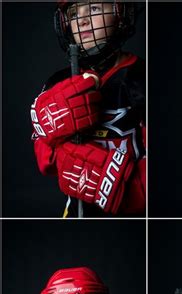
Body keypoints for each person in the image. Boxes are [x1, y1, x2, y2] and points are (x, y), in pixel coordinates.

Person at [30, 1, 146, 217]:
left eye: (93, 9)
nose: (82, 21)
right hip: (77, 213)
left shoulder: (141, 79)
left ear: (121, 13)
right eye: (74, 13)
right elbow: (44, 158)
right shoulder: (58, 83)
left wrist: (121, 188)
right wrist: (57, 147)